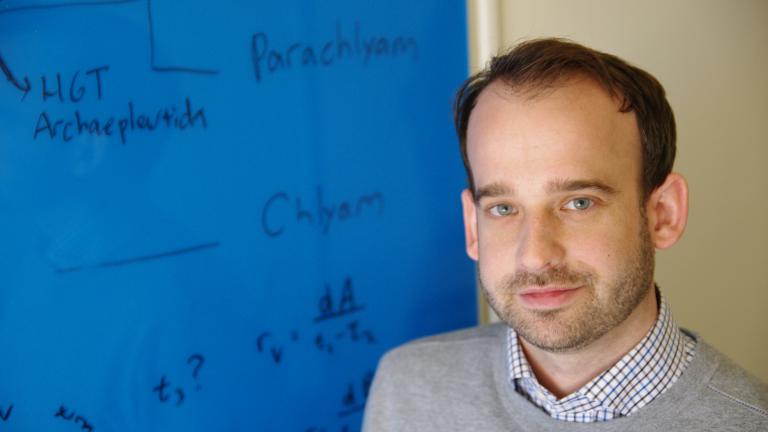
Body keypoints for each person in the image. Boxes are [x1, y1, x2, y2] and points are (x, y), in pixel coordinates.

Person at [362, 38, 768, 431]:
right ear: (473, 227)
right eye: (503, 208)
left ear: (663, 214)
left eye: (578, 203)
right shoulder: (407, 389)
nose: (535, 256)